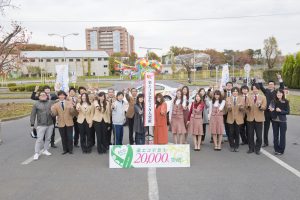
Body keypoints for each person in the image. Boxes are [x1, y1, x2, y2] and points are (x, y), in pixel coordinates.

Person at [258, 74, 284, 147]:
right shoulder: (266, 91)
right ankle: (265, 142)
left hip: (274, 113)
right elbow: (260, 86)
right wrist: (260, 79)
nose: (270, 85)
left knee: (275, 128)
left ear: (274, 85)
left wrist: (280, 78)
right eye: (269, 84)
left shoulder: (277, 92)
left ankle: (275, 142)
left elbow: (282, 87)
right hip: (266, 113)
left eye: (272, 84)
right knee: (266, 129)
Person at [30, 91, 54, 160]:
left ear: (47, 96)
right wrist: (32, 124)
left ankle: (45, 150)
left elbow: (54, 113)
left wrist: (53, 113)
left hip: (50, 124)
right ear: (39, 96)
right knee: (39, 139)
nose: (43, 96)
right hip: (41, 124)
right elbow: (33, 115)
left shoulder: (50, 103)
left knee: (48, 138)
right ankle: (36, 153)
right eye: (41, 95)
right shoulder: (36, 104)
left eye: (44, 95)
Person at [245, 83, 267, 155]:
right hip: (250, 118)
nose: (254, 90)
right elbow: (246, 108)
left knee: (259, 136)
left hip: (259, 119)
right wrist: (248, 107)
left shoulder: (263, 97)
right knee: (250, 135)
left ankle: (257, 149)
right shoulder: (248, 97)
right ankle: (251, 148)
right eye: (253, 88)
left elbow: (264, 107)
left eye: (256, 88)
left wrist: (260, 106)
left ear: (258, 89)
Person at [270, 89, 290, 155]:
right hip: (274, 120)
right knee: (275, 136)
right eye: (278, 93)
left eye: (280, 93)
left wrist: (281, 111)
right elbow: (271, 108)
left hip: (282, 121)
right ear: (276, 94)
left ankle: (281, 150)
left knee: (282, 136)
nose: (279, 94)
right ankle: (276, 149)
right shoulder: (273, 101)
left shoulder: (286, 101)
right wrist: (271, 109)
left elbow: (288, 111)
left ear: (282, 94)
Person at [225, 87, 245, 152]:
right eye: (234, 91)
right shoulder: (228, 99)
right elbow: (228, 109)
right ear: (232, 92)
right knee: (230, 133)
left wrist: (241, 106)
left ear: (238, 92)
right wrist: (229, 106)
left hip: (238, 119)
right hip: (230, 118)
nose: (235, 92)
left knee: (237, 133)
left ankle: (236, 146)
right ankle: (231, 146)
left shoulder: (241, 99)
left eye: (236, 91)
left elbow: (243, 109)